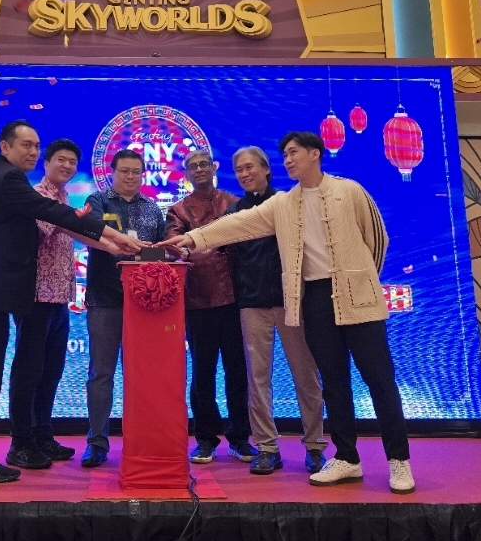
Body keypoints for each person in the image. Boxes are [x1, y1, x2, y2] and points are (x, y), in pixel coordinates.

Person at [161, 131, 414, 494]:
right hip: (313, 298)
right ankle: (346, 458)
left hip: (359, 296)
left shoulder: (350, 191)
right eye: (285, 155)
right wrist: (192, 239)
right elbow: (238, 224)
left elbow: (377, 239)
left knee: (380, 380)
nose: (289, 160)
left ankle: (399, 461)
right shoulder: (284, 203)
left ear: (315, 153)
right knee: (334, 383)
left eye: (294, 153)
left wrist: (360, 278)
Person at [0, 121, 143, 483]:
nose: (33, 152)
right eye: (27, 145)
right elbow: (58, 216)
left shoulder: (7, 178)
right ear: (5, 147)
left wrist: (114, 245)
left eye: (36, 145)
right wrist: (114, 237)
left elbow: (62, 217)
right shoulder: (9, 180)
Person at [226, 146, 327, 476]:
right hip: (251, 305)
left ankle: (315, 446)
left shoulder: (288, 203)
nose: (244, 174)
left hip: (291, 302)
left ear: (266, 169)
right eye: (239, 169)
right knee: (257, 380)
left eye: (250, 167)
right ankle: (267, 448)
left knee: (306, 375)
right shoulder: (235, 212)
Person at [165, 150, 256, 465]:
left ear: (214, 168)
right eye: (193, 166)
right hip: (197, 301)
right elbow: (174, 246)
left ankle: (241, 437)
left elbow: (247, 242)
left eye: (204, 164)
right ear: (186, 174)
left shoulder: (234, 203)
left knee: (237, 372)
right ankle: (205, 439)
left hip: (235, 300)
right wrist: (197, 249)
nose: (199, 169)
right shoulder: (177, 210)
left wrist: (203, 246)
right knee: (202, 373)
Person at [80, 149, 166, 468]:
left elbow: (161, 254)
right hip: (104, 299)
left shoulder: (153, 209)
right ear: (112, 172)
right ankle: (97, 441)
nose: (130, 177)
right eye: (124, 171)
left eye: (136, 172)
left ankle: (143, 438)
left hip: (144, 304)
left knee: (143, 374)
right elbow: (89, 230)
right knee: (101, 373)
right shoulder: (97, 201)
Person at [6, 138, 85, 469]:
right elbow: (46, 229)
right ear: (47, 163)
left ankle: (42, 434)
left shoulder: (64, 199)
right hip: (35, 297)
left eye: (72, 162)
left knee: (51, 371)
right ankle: (20, 443)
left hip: (60, 299)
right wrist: (80, 220)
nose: (67, 166)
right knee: (28, 371)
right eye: (61, 160)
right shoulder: (36, 195)